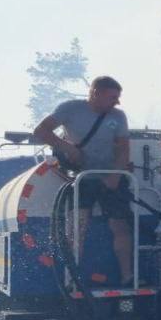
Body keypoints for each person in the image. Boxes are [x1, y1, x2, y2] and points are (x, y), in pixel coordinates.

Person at [32, 76, 133, 286]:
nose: (117, 102)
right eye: (112, 97)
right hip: (81, 178)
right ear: (96, 93)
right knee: (77, 227)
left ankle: (128, 276)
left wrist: (115, 175)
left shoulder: (118, 116)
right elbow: (40, 131)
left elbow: (124, 149)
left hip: (109, 178)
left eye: (118, 97)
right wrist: (66, 147)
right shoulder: (70, 109)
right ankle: (72, 278)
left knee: (120, 226)